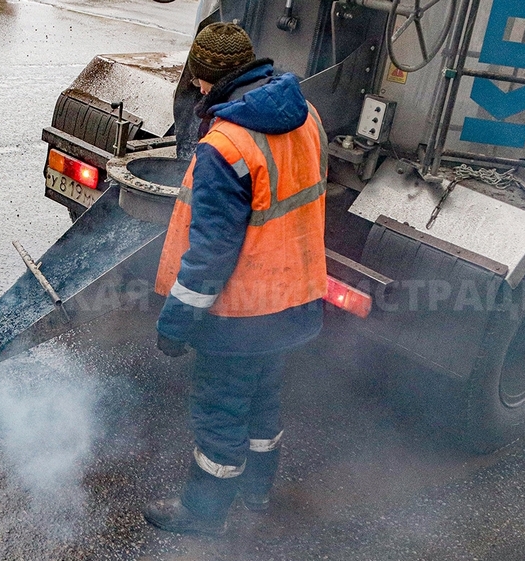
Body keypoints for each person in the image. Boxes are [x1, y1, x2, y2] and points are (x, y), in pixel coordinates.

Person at [143, 22, 328, 535]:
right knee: (263, 401)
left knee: (221, 412)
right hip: (294, 298)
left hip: (241, 313)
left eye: (198, 82)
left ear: (205, 80)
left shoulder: (224, 146)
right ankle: (256, 493)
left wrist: (175, 323)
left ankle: (202, 516)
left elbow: (211, 254)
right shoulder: (307, 115)